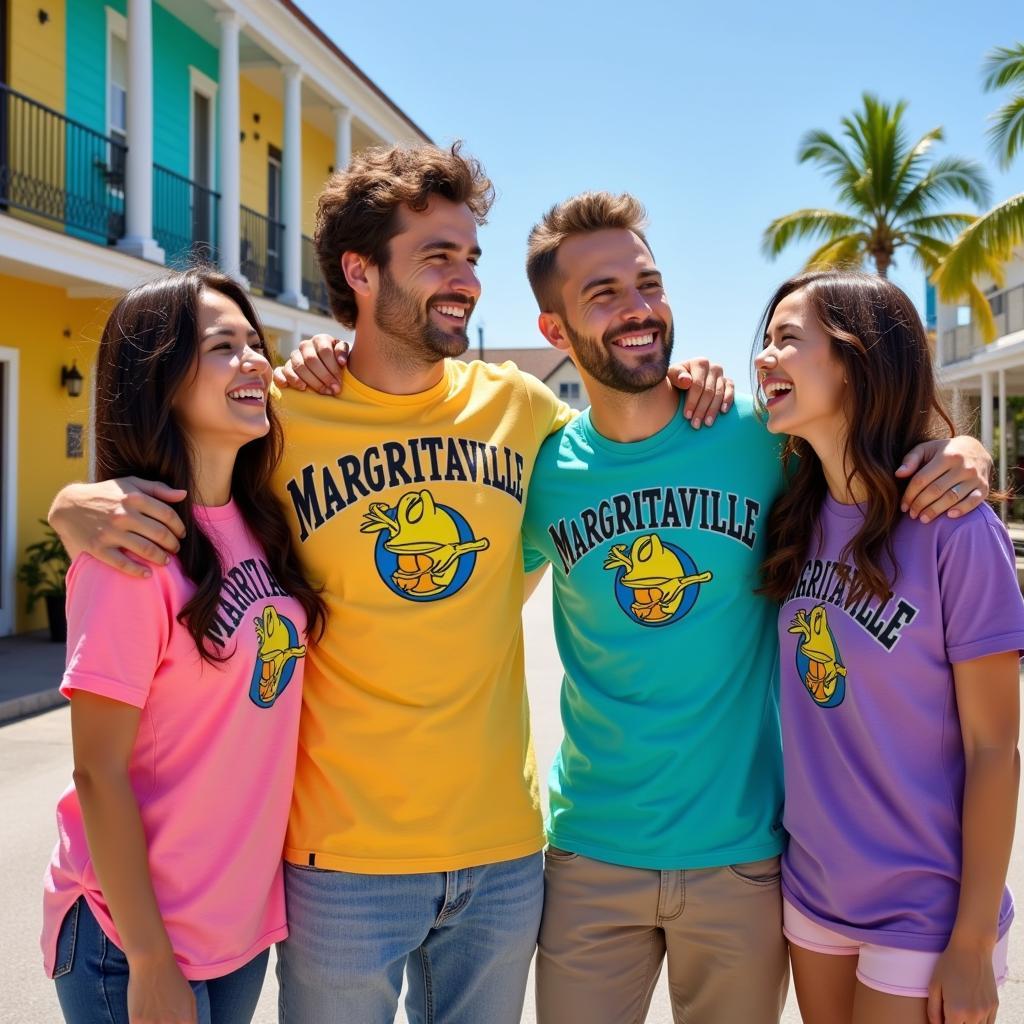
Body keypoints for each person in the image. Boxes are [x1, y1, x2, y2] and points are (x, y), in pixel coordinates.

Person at [47, 144, 730, 1024]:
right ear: (360, 271)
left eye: (472, 257)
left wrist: (700, 377)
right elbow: (170, 456)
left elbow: (631, 437)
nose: (467, 280)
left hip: (502, 852)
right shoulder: (277, 419)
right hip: (339, 862)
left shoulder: (523, 410)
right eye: (438, 255)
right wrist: (76, 504)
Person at [279, 191, 996, 1024]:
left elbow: (865, 443)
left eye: (647, 283)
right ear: (556, 332)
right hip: (589, 855)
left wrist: (958, 451)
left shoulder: (761, 436)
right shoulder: (539, 462)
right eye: (604, 294)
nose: (638, 309)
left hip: (744, 856)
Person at [41, 269, 326, 1024]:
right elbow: (97, 772)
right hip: (131, 940)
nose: (255, 362)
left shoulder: (263, 528)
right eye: (223, 347)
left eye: (255, 343)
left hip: (237, 932)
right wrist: (149, 958)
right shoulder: (131, 548)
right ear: (160, 380)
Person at [755, 270, 1023, 1024]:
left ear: (857, 360)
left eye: (788, 340)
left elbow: (995, 748)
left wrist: (971, 940)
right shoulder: (792, 510)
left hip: (926, 910)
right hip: (813, 890)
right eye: (764, 340)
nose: (764, 357)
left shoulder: (956, 529)